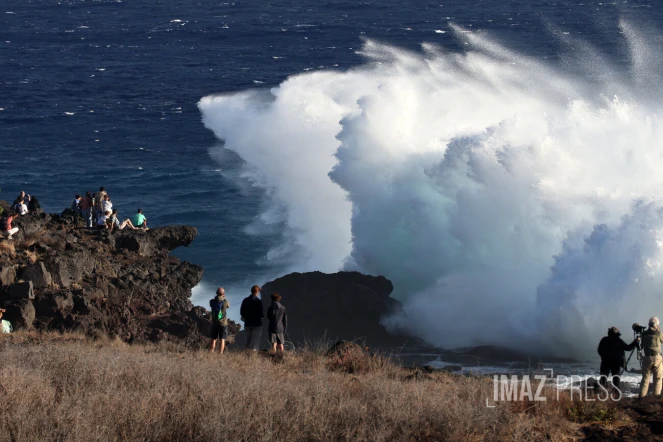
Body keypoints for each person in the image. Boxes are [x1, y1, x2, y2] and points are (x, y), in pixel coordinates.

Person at [640, 317, 663, 398]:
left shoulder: (644, 334)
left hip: (647, 358)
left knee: (645, 379)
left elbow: (641, 346)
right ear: (656, 325)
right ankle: (656, 398)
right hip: (657, 357)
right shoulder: (658, 333)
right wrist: (658, 330)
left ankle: (641, 398)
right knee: (657, 379)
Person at [240, 285, 264, 351]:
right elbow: (261, 314)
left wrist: (246, 317)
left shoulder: (245, 300)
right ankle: (252, 357)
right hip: (257, 324)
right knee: (255, 342)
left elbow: (242, 312)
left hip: (247, 323)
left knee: (247, 341)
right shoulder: (258, 301)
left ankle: (246, 355)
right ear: (257, 292)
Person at [209, 288, 230, 354]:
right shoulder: (225, 302)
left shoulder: (212, 301)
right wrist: (224, 298)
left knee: (213, 338)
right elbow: (228, 306)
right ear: (223, 294)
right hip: (223, 323)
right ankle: (220, 353)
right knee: (222, 339)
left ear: (216, 293)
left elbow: (211, 303)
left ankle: (211, 352)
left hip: (215, 322)